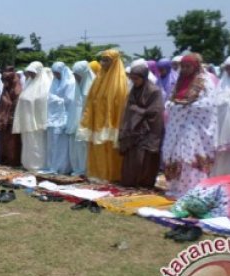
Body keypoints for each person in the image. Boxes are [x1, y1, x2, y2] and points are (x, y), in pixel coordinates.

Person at [162, 53, 217, 198]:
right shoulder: (179, 81)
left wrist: (187, 108)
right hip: (175, 127)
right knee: (174, 156)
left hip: (193, 127)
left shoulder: (204, 81)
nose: (185, 69)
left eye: (188, 66)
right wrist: (172, 105)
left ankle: (192, 189)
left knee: (188, 156)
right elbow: (171, 99)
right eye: (183, 66)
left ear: (196, 66)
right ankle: (175, 188)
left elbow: (209, 104)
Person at [78, 49, 129, 182]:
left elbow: (119, 103)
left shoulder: (121, 81)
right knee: (97, 148)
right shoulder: (99, 79)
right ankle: (97, 174)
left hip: (111, 123)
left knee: (109, 150)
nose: (102, 63)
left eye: (106, 60)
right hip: (97, 121)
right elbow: (91, 99)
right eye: (102, 59)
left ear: (114, 62)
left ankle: (111, 175)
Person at [118, 65, 165, 187]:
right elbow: (129, 109)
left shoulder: (154, 91)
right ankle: (130, 182)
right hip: (133, 130)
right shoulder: (134, 90)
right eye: (132, 79)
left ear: (144, 78)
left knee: (144, 158)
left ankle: (144, 183)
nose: (134, 81)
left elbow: (156, 111)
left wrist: (138, 111)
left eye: (136, 79)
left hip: (148, 130)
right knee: (132, 158)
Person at [13, 61, 52, 171]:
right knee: (28, 143)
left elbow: (43, 102)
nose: (30, 75)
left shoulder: (45, 85)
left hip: (37, 122)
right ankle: (28, 164)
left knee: (37, 144)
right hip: (27, 120)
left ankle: (38, 165)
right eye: (29, 72)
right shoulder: (29, 83)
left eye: (32, 72)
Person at [44, 62, 76, 174]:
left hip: (65, 116)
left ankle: (63, 167)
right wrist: (55, 99)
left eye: (57, 73)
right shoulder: (54, 82)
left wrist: (57, 100)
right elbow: (49, 96)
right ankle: (53, 165)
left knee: (62, 144)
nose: (56, 76)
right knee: (53, 143)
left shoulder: (70, 82)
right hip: (54, 116)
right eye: (54, 74)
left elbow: (70, 100)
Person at [69, 61, 95, 176]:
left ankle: (86, 169)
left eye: (77, 75)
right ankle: (79, 169)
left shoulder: (92, 86)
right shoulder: (77, 85)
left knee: (86, 146)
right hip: (78, 121)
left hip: (88, 122)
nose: (75, 77)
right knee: (78, 146)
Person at [0, 66, 23, 166]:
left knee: (12, 142)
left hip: (12, 118)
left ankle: (13, 161)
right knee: (4, 141)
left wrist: (11, 114)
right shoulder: (7, 86)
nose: (5, 83)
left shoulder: (16, 88)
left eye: (6, 80)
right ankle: (5, 160)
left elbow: (15, 102)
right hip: (4, 118)